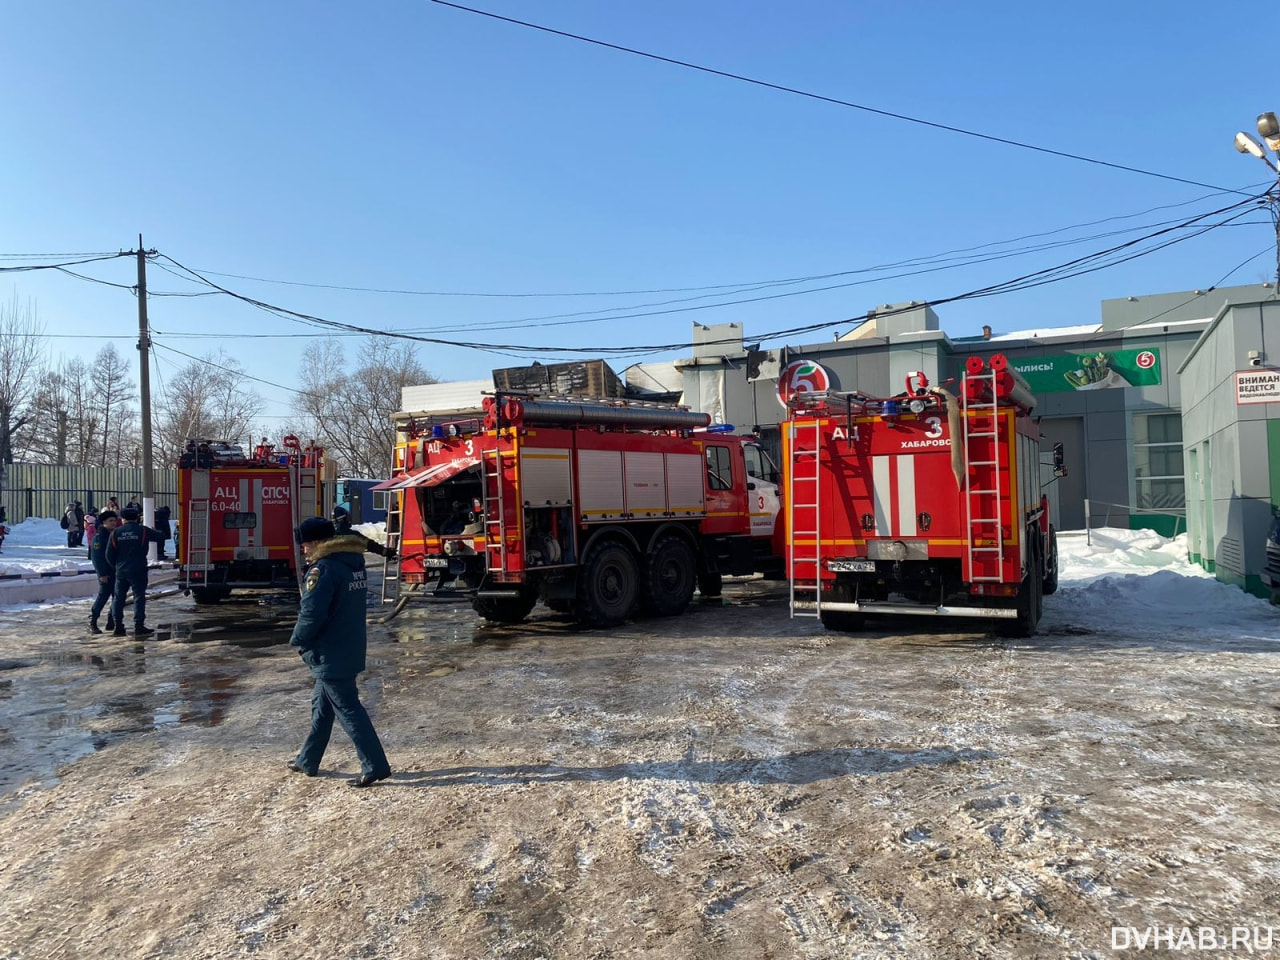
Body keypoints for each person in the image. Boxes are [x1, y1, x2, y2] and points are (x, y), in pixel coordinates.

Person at [287, 516, 391, 788]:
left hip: (330, 650)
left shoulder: (323, 570)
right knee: (322, 708)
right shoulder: (352, 563)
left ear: (319, 542)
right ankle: (307, 759)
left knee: (348, 708)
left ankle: (375, 765)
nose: (304, 550)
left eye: (306, 544)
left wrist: (298, 639)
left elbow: (312, 614)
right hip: (348, 645)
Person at [105, 506, 156, 638]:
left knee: (118, 598)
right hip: (139, 570)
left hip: (121, 571)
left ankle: (118, 626)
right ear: (137, 518)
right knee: (139, 597)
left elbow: (109, 555)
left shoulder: (115, 533)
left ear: (122, 519)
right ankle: (139, 626)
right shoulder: (142, 530)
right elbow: (161, 536)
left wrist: (117, 566)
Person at [87, 510, 120, 635]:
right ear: (104, 523)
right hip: (106, 573)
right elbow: (97, 558)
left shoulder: (116, 535)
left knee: (117, 597)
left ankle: (112, 620)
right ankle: (93, 620)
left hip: (117, 572)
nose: (113, 523)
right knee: (103, 596)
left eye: (114, 520)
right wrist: (102, 573)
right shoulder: (99, 538)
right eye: (110, 521)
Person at [331, 505, 396, 559]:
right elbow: (371, 545)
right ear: (343, 519)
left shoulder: (328, 536)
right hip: (353, 568)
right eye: (348, 518)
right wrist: (387, 552)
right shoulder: (354, 535)